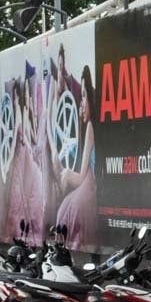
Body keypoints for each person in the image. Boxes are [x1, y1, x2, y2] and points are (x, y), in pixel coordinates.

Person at [55, 65, 97, 252]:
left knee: (68, 209)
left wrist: (66, 175)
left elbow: (80, 176)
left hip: (89, 184)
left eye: (85, 97)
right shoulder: (87, 126)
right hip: (87, 183)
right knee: (65, 207)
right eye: (81, 98)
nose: (82, 103)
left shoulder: (90, 127)